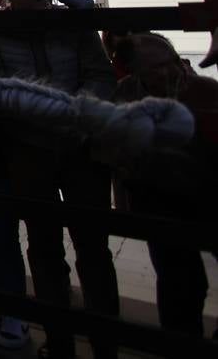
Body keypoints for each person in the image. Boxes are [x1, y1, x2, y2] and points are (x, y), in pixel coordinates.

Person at [0, 0, 118, 359]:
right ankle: (60, 342)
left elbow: (100, 74)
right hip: (29, 147)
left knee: (92, 246)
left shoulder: (73, 25)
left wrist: (77, 110)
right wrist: (36, 110)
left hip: (79, 145)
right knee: (43, 246)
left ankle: (105, 342)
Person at [112, 33, 218, 337]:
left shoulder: (205, 92)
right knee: (179, 282)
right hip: (159, 198)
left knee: (180, 280)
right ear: (136, 72)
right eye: (158, 67)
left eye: (173, 61)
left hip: (203, 194)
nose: (173, 70)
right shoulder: (125, 96)